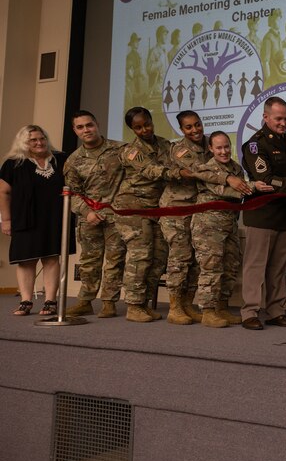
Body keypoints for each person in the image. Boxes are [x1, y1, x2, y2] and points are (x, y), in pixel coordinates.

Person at [159, 110, 251, 325]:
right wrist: (228, 178)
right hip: (178, 209)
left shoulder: (210, 145)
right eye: (189, 127)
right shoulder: (181, 150)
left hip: (202, 209)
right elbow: (198, 171)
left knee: (199, 264)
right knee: (180, 260)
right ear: (181, 130)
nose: (195, 130)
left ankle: (190, 305)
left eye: (197, 124)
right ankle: (175, 307)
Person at [115, 107, 190, 323]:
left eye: (147, 124)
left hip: (157, 208)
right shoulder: (130, 151)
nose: (144, 129)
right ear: (132, 129)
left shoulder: (165, 145)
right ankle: (133, 305)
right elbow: (152, 171)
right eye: (138, 127)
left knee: (158, 257)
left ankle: (145, 303)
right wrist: (177, 173)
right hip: (133, 208)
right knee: (140, 257)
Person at [239, 96, 286, 330]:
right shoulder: (255, 144)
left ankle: (276, 310)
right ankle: (250, 312)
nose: (283, 123)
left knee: (278, 267)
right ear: (265, 117)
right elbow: (264, 179)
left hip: (282, 213)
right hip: (261, 212)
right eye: (278, 119)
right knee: (256, 266)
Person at [0, 125, 73, 316]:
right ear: (24, 142)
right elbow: (4, 192)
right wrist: (5, 220)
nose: (39, 143)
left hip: (54, 218)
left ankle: (50, 301)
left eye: (42, 138)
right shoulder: (13, 164)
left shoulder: (61, 160)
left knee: (51, 258)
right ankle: (26, 301)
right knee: (26, 261)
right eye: (33, 140)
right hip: (24, 218)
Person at [63, 111, 127, 318]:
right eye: (80, 127)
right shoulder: (73, 161)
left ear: (97, 124)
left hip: (117, 216)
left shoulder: (120, 150)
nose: (86, 130)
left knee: (115, 261)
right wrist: (86, 212)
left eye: (89, 125)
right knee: (89, 261)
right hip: (89, 218)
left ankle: (109, 302)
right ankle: (85, 301)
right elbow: (71, 194)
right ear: (75, 131)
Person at [192, 132, 249, 328]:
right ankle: (208, 311)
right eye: (219, 148)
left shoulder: (236, 168)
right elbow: (228, 192)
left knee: (231, 266)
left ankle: (222, 308)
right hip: (208, 225)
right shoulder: (205, 169)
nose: (224, 151)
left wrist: (247, 188)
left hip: (229, 223)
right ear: (210, 149)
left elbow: (240, 195)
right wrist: (252, 187)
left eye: (226, 147)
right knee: (211, 267)